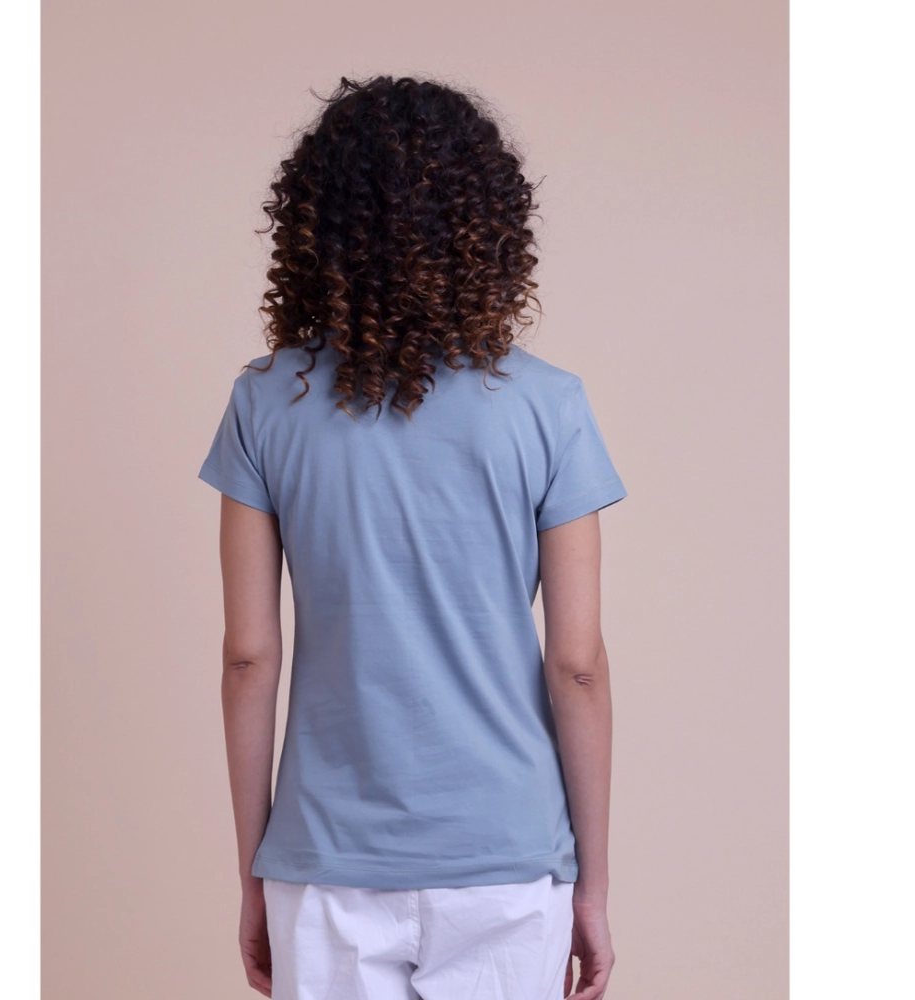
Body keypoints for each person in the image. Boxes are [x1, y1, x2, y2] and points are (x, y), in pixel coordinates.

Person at [197, 74, 627, 1000]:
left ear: (316, 230)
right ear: (490, 226)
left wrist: (257, 872)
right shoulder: (550, 406)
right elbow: (578, 665)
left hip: (325, 861)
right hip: (509, 859)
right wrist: (590, 885)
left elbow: (248, 657)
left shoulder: (264, 403)